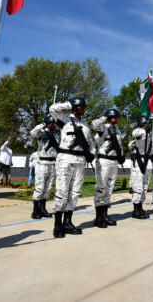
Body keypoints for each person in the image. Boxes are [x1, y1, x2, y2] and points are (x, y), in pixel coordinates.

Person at [51, 98, 95, 238]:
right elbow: (53, 109)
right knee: (63, 191)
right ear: (75, 107)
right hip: (66, 160)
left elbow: (90, 142)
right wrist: (69, 104)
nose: (84, 108)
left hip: (80, 162)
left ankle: (68, 222)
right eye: (82, 106)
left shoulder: (86, 125)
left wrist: (92, 153)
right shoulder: (65, 120)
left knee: (75, 193)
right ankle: (57, 225)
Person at [91, 109, 125, 227]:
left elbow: (119, 145)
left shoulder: (118, 130)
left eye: (117, 117)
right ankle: (98, 217)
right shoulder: (103, 127)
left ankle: (105, 215)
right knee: (101, 188)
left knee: (109, 189)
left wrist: (122, 155)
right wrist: (105, 117)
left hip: (114, 162)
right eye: (114, 116)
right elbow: (94, 124)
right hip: (104, 161)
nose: (116, 118)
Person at [29, 114, 63, 219]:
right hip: (42, 163)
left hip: (53, 163)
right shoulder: (41, 133)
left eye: (56, 123)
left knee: (47, 188)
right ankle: (35, 211)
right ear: (49, 123)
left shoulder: (56, 135)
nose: (55, 125)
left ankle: (43, 209)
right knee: (40, 187)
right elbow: (32, 132)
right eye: (53, 123)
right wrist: (43, 124)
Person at [129, 116, 153, 218]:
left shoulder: (149, 134)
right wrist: (144, 131)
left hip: (147, 161)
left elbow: (151, 149)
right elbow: (134, 133)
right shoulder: (138, 131)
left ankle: (141, 207)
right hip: (139, 161)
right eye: (143, 123)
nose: (145, 125)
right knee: (138, 187)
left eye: (146, 123)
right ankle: (136, 210)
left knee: (145, 186)